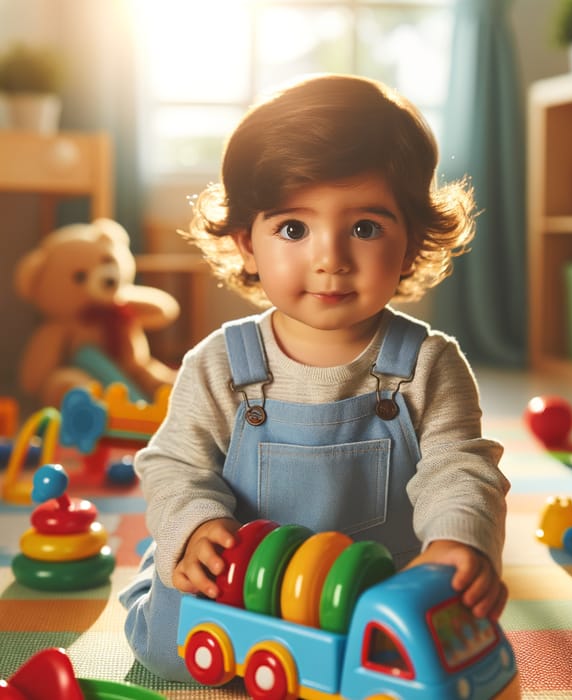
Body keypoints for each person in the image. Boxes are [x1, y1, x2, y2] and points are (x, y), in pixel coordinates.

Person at [120, 73, 510, 682]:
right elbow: (174, 464)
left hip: (367, 583)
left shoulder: (430, 364)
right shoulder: (219, 364)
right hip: (242, 583)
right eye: (294, 229)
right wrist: (194, 523)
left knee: (433, 653)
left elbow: (460, 467)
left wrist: (459, 544)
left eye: (365, 227)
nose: (330, 256)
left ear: (410, 243)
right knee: (168, 652)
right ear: (248, 242)